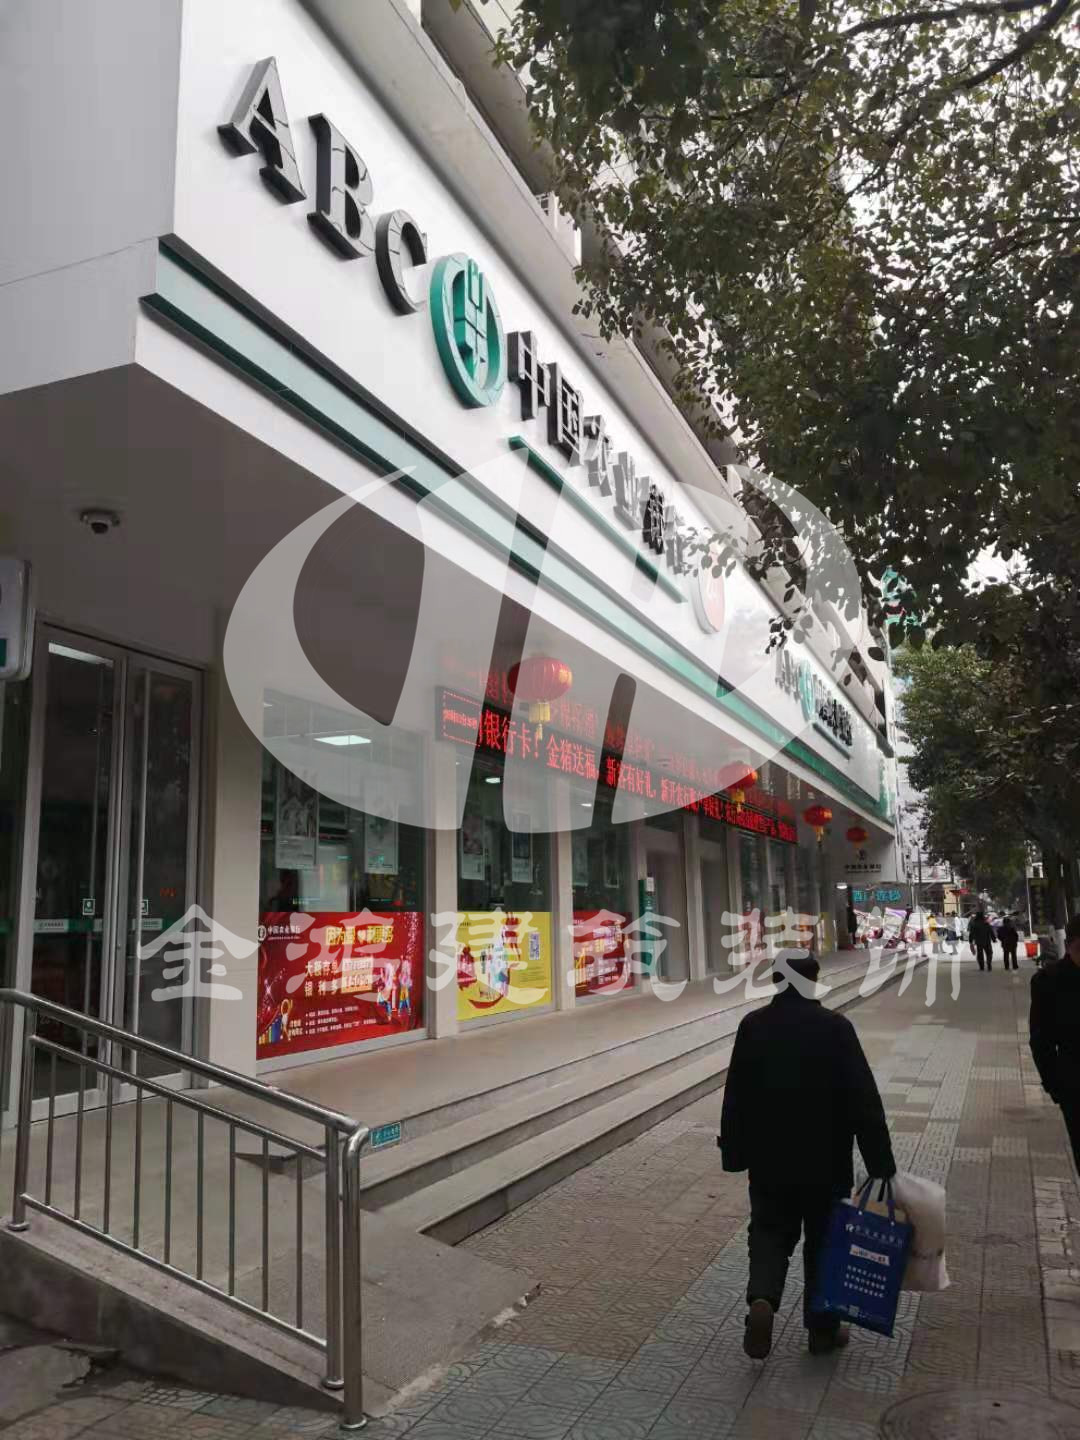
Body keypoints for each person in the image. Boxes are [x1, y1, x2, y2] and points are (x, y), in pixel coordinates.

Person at [719, 951, 896, 1360]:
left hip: (770, 1159)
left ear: (776, 981)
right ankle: (822, 1332)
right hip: (826, 1160)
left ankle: (762, 1299)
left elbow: (737, 1096)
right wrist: (880, 1162)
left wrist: (734, 1153)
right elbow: (863, 1099)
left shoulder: (754, 1026)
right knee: (824, 1240)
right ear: (814, 981)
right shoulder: (835, 1028)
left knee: (769, 1231)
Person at [1030, 917, 1080, 1168]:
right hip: (1075, 1085)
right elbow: (1041, 1041)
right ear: (1069, 946)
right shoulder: (1048, 981)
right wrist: (1055, 1087)